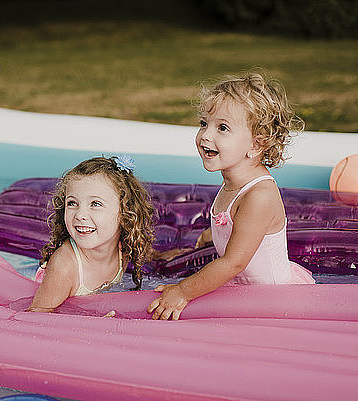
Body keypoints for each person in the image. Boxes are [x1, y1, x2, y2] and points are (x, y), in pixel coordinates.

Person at [147, 72, 315, 320]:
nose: (205, 135)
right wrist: (213, 235)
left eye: (222, 128)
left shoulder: (258, 196)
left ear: (256, 145)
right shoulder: (233, 180)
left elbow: (233, 263)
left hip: (274, 300)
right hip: (242, 291)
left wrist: (182, 292)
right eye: (204, 123)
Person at [28, 156, 155, 313]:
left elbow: (149, 256)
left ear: (125, 212)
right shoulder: (65, 267)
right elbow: (36, 316)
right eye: (72, 203)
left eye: (95, 204)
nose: (80, 214)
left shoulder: (125, 247)